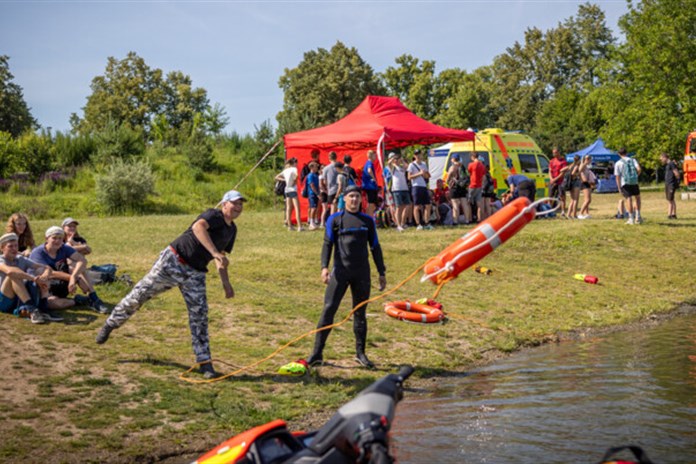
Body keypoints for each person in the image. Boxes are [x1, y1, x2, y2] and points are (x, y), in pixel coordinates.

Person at [95, 190, 246, 379]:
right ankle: (111, 324)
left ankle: (204, 362)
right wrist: (214, 252)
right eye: (235, 203)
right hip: (173, 261)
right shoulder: (213, 215)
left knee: (199, 315)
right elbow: (198, 228)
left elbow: (220, 257)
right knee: (139, 296)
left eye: (241, 204)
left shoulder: (232, 230)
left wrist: (226, 283)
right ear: (224, 204)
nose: (238, 208)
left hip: (195, 272)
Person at [305, 185, 387, 369]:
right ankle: (317, 354)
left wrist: (381, 272)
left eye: (357, 197)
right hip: (340, 272)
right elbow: (327, 244)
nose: (354, 200)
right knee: (328, 309)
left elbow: (375, 247)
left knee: (360, 314)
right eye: (351, 196)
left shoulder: (368, 220)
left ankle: (361, 354)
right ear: (345, 198)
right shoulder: (335, 219)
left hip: (362, 273)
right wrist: (324, 268)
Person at [29, 226, 110, 313]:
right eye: (54, 238)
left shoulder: (64, 248)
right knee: (51, 303)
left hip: (61, 283)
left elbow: (82, 260)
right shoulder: (38, 252)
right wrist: (72, 278)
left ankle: (94, 298)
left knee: (76, 266)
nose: (57, 241)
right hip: (45, 286)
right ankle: (80, 301)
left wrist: (74, 276)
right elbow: (49, 273)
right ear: (47, 238)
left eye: (60, 238)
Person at [0, 233, 54, 324]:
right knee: (13, 275)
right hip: (4, 299)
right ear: (2, 248)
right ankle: (31, 308)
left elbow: (46, 267)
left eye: (16, 246)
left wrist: (45, 275)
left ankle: (43, 309)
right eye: (10, 246)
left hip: (20, 297)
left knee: (42, 274)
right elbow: (10, 271)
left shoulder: (21, 259)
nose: (14, 249)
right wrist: (33, 278)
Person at [614, 147, 642, 225]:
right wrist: (636, 176)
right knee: (637, 198)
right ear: (627, 153)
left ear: (619, 154)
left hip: (625, 182)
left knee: (628, 199)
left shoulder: (618, 163)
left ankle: (631, 218)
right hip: (634, 182)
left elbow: (617, 176)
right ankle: (638, 216)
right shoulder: (633, 160)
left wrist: (619, 187)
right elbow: (639, 169)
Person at [408, 149, 432, 230]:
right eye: (416, 154)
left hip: (424, 186)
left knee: (428, 205)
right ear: (414, 156)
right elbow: (409, 177)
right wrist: (419, 173)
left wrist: (426, 174)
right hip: (416, 186)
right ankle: (418, 224)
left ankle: (426, 222)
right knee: (417, 206)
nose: (418, 156)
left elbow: (427, 176)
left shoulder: (424, 164)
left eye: (419, 154)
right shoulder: (411, 165)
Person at [276, 158, 302, 232]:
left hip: (287, 190)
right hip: (293, 189)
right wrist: (294, 181)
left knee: (288, 208)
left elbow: (277, 177)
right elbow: (297, 176)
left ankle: (289, 226)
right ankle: (299, 226)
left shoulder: (285, 170)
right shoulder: (294, 169)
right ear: (294, 163)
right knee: (297, 208)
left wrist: (285, 180)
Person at [446, 154, 471, 225]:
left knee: (455, 205)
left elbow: (448, 178)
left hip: (454, 188)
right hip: (462, 188)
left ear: (453, 159)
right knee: (465, 204)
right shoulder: (462, 166)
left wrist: (448, 182)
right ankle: (467, 220)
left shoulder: (452, 167)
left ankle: (455, 221)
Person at [388, 152, 410, 232]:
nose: (397, 161)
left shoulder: (401, 167)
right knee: (398, 207)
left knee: (406, 206)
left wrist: (402, 160)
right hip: (397, 189)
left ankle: (402, 223)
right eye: (396, 159)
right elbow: (389, 163)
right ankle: (398, 225)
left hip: (404, 188)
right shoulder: (393, 167)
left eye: (397, 159)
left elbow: (408, 167)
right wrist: (393, 158)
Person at [548, 148, 568, 217]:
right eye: (553, 153)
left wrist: (555, 179)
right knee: (550, 196)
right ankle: (549, 211)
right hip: (552, 181)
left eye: (555, 152)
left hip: (560, 181)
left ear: (559, 152)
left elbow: (562, 173)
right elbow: (550, 171)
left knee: (562, 197)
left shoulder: (563, 162)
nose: (554, 154)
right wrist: (551, 179)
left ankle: (562, 211)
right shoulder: (551, 161)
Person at [468, 152, 487, 222]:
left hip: (472, 185)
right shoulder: (482, 165)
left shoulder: (471, 164)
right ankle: (479, 219)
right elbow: (484, 177)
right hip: (479, 186)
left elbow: (469, 173)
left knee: (468, 203)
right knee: (479, 203)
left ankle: (469, 219)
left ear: (472, 157)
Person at [660, 152, 680, 219]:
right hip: (667, 184)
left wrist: (678, 181)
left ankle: (670, 215)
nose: (661, 160)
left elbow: (676, 172)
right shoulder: (668, 164)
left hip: (671, 184)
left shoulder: (671, 163)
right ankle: (674, 214)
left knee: (670, 200)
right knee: (671, 199)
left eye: (661, 158)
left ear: (665, 157)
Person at [361, 150, 379, 217]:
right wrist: (374, 179)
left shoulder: (368, 163)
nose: (376, 157)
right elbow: (369, 170)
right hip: (370, 186)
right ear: (371, 156)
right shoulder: (369, 163)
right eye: (375, 156)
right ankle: (370, 218)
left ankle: (368, 217)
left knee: (371, 204)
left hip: (368, 186)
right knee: (371, 204)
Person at [323, 151, 340, 216]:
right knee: (340, 207)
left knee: (333, 206)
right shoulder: (340, 166)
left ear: (329, 158)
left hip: (331, 189)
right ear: (336, 157)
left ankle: (332, 221)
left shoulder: (326, 168)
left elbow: (324, 181)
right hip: (340, 188)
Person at [305, 161, 321, 229]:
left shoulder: (316, 175)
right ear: (312, 167)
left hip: (315, 193)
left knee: (315, 207)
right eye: (316, 166)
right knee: (313, 208)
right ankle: (311, 223)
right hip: (312, 194)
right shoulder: (310, 175)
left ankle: (313, 221)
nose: (317, 168)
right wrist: (317, 193)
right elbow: (312, 185)